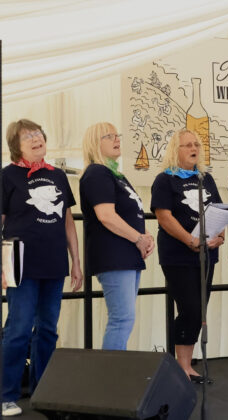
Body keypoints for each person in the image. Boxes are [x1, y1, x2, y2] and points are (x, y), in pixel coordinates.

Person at [1, 119, 83, 417]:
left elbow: (67, 221)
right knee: (19, 328)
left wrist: (76, 261)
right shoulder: (7, 176)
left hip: (53, 261)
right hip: (19, 261)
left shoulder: (58, 175)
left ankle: (43, 391)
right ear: (16, 145)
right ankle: (6, 394)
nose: (36, 139)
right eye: (28, 136)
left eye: (38, 134)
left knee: (48, 328)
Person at [151, 129, 224, 383]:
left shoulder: (206, 178)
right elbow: (164, 216)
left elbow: (219, 210)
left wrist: (220, 236)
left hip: (206, 256)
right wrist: (190, 240)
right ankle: (179, 367)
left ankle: (187, 366)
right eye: (187, 145)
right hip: (178, 256)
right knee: (189, 308)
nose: (194, 149)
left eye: (196, 145)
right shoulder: (165, 180)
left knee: (199, 310)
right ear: (175, 149)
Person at [80, 122, 154, 350]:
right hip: (114, 255)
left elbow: (129, 212)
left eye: (117, 135)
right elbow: (106, 216)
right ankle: (109, 371)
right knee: (121, 319)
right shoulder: (97, 173)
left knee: (125, 319)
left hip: (127, 254)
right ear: (95, 143)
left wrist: (146, 235)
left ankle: (113, 368)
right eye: (109, 136)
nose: (117, 139)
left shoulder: (116, 174)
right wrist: (139, 238)